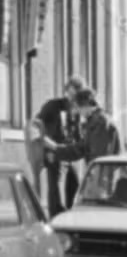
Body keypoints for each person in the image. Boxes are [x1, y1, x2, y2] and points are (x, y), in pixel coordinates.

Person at [36, 77, 84, 214]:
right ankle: (55, 215)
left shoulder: (76, 111)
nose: (73, 98)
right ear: (66, 91)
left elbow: (76, 133)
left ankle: (70, 212)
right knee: (55, 185)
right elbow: (36, 124)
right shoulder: (52, 106)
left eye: (76, 95)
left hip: (67, 153)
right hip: (52, 152)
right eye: (71, 94)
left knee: (74, 184)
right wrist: (44, 143)